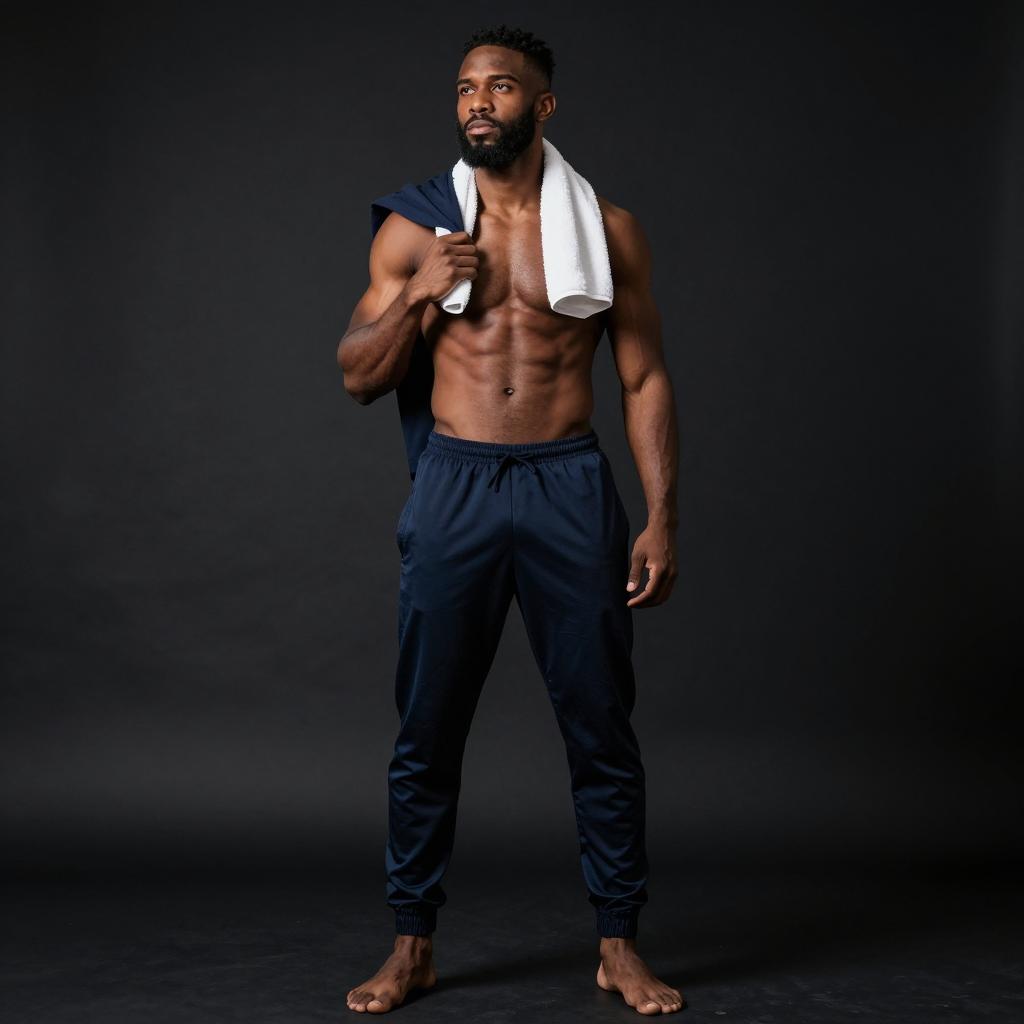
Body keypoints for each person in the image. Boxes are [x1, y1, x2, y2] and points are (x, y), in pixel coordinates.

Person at [337, 24, 682, 1016]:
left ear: (542, 106)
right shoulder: (415, 232)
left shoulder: (608, 230)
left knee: (599, 723)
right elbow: (357, 375)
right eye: (464, 89)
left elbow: (645, 374)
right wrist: (418, 301)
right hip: (456, 484)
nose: (477, 101)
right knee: (427, 726)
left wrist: (660, 515)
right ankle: (413, 945)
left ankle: (618, 945)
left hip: (570, 485)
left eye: (499, 87)